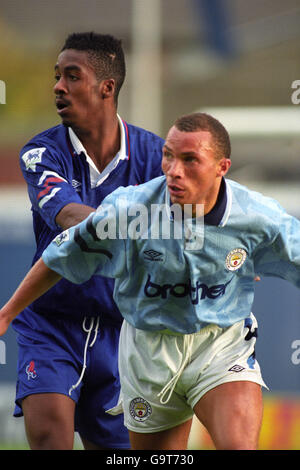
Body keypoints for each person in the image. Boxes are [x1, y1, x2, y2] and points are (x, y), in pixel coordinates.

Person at [1, 112, 300, 450]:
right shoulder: (130, 210)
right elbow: (59, 256)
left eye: (190, 160)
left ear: (222, 167)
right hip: (148, 351)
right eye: (168, 155)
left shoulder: (258, 216)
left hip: (221, 343)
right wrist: (7, 313)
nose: (174, 170)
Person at [11, 32, 164, 450]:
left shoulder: (158, 158)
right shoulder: (41, 153)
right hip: (51, 325)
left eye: (72, 76)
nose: (58, 87)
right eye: (57, 77)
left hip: (124, 335)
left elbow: (200, 218)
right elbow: (72, 219)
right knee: (49, 438)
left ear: (106, 87)